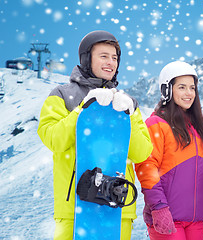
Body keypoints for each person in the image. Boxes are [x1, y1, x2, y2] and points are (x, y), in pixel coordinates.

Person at [37, 30, 153, 240]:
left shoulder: (128, 102)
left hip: (118, 207)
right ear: (86, 59)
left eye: (115, 58)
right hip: (74, 207)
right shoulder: (62, 95)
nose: (111, 62)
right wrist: (83, 110)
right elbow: (54, 140)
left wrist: (128, 116)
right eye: (104, 56)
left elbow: (142, 152)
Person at [135, 61, 203, 240]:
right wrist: (159, 207)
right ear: (167, 90)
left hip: (196, 220)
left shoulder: (200, 130)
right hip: (168, 218)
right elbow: (147, 168)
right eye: (182, 87)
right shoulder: (156, 124)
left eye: (192, 88)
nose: (189, 93)